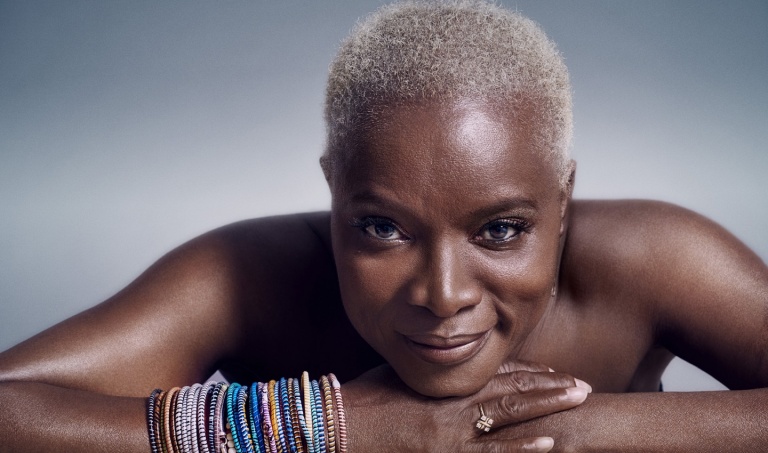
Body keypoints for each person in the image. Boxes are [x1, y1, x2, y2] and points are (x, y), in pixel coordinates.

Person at [1, 1, 766, 451]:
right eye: (382, 229)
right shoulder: (245, 276)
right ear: (333, 190)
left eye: (501, 230)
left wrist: (561, 430)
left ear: (563, 200)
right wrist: (330, 426)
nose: (443, 294)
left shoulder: (654, 258)